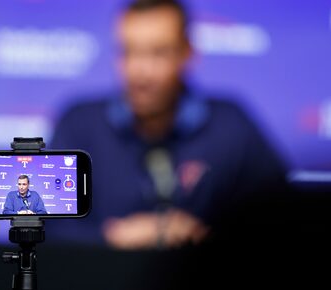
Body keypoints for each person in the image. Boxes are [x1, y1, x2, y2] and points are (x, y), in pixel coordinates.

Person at [47, 0, 288, 250]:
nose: (141, 72)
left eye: (158, 53)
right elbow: (45, 231)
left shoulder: (231, 125)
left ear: (188, 54)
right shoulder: (78, 124)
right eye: (129, 52)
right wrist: (114, 239)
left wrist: (200, 238)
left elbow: (279, 220)